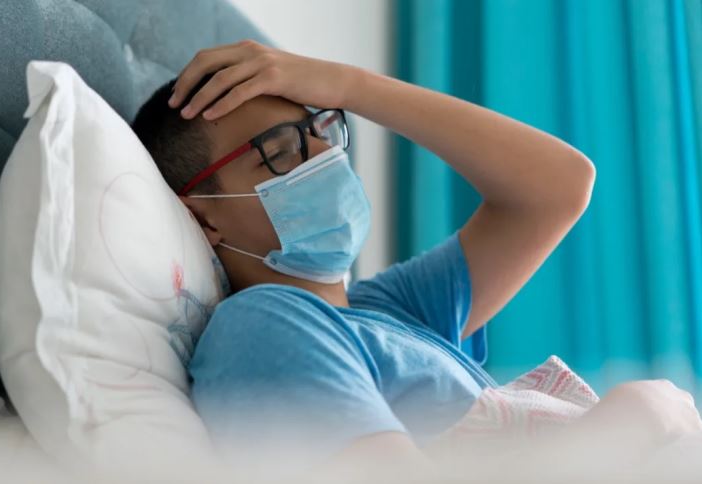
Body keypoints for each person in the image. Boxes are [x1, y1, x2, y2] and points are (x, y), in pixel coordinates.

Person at [131, 40, 700, 483]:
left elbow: (559, 186)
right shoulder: (264, 327)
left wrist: (348, 85)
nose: (326, 155)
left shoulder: (392, 309)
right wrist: (634, 420)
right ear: (206, 220)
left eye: (322, 128)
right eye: (280, 153)